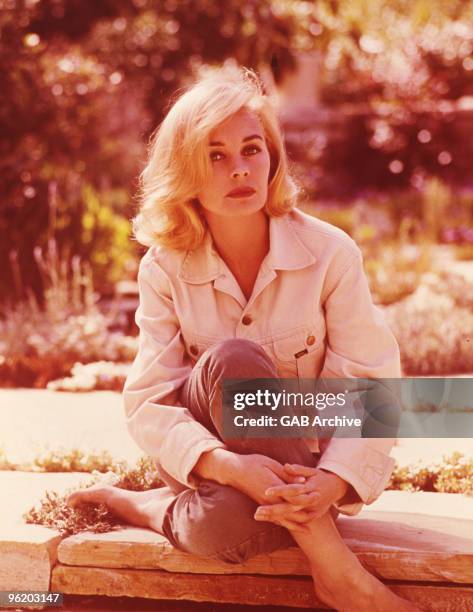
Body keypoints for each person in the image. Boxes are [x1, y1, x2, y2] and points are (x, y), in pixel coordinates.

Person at [67, 66, 419, 611]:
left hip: (302, 467)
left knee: (221, 531)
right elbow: (148, 401)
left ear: (272, 158)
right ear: (185, 168)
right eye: (215, 155)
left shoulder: (330, 254)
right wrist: (225, 466)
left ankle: (144, 506)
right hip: (211, 457)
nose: (239, 170)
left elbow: (374, 386)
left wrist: (333, 480)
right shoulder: (164, 268)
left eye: (252, 150)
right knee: (233, 360)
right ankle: (339, 577)